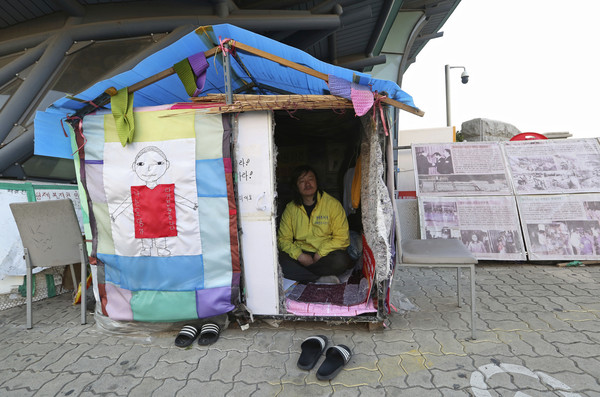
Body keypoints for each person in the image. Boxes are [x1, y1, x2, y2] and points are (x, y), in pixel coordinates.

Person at [278, 165, 353, 283]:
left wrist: (320, 253)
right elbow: (283, 240)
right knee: (277, 260)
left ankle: (303, 275)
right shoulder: (291, 209)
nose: (307, 184)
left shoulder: (332, 205)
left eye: (310, 179)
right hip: (302, 253)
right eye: (302, 181)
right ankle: (318, 278)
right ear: (296, 186)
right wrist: (299, 255)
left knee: (341, 261)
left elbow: (342, 238)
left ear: (317, 182)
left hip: (326, 255)